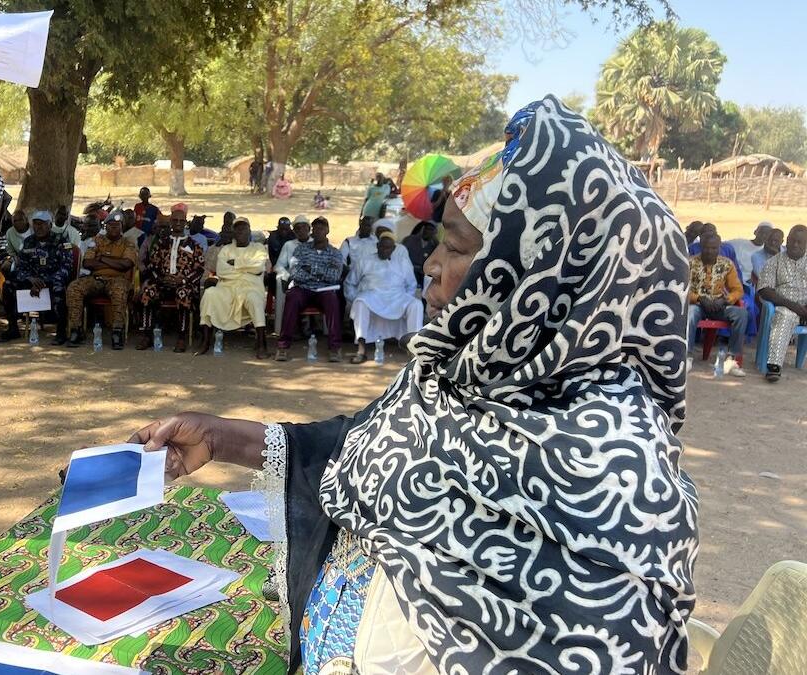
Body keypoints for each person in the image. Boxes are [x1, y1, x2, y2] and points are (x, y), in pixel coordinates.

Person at [130, 97, 698, 675]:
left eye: (453, 247)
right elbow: (352, 447)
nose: (428, 265)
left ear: (537, 278)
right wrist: (220, 436)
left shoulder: (616, 475)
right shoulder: (457, 377)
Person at [0, 210, 73, 345]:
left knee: (59, 287)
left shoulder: (61, 240)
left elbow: (66, 268)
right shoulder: (28, 242)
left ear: (50, 225)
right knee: (8, 285)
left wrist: (43, 282)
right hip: (32, 281)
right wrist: (30, 279)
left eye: (43, 224)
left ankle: (61, 332)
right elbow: (20, 267)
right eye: (36, 224)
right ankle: (13, 328)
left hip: (51, 280)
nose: (39, 227)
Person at [197, 218, 269, 357]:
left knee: (254, 299)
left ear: (249, 231)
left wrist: (235, 263)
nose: (241, 231)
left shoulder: (258, 248)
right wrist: (247, 266)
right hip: (228, 288)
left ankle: (261, 343)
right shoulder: (226, 249)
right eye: (238, 229)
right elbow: (222, 270)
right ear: (234, 232)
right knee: (210, 294)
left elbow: (259, 267)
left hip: (251, 287)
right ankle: (205, 341)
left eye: (244, 228)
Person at [65, 212, 138, 349]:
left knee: (119, 290)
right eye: (111, 226)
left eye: (117, 226)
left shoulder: (128, 243)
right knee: (74, 287)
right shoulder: (97, 241)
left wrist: (102, 258)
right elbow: (87, 263)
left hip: (118, 280)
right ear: (106, 226)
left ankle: (117, 332)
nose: (114, 229)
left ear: (122, 227)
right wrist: (115, 262)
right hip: (96, 279)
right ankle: (76, 330)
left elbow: (126, 264)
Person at [347, 233, 423, 363]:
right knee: (360, 302)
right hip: (372, 296)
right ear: (377, 246)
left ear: (394, 249)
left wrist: (405, 299)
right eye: (382, 247)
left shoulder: (402, 262)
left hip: (397, 297)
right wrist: (354, 298)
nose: (384, 250)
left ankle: (413, 349)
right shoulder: (364, 261)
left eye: (388, 248)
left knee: (416, 304)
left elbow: (411, 284)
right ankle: (361, 349)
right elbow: (350, 283)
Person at [276, 216, 343, 362]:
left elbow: (335, 276)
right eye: (315, 228)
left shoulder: (335, 253)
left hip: (325, 290)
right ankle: (283, 347)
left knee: (332, 301)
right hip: (303, 288)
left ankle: (335, 348)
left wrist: (311, 269)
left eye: (322, 228)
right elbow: (296, 273)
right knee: (292, 297)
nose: (318, 231)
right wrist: (321, 273)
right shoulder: (301, 250)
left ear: (327, 230)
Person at [136, 215, 205, 352]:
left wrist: (183, 280)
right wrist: (161, 278)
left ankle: (181, 337)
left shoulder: (193, 244)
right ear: (171, 223)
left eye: (181, 220)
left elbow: (199, 269)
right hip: (162, 282)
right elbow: (152, 266)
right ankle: (147, 335)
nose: (178, 223)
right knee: (148, 291)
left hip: (184, 283)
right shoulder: (161, 243)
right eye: (175, 220)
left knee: (183, 293)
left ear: (185, 223)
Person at [687, 233, 747, 377]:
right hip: (697, 305)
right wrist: (699, 299)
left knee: (741, 314)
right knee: (690, 313)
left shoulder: (726, 264)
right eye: (706, 248)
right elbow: (682, 290)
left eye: (713, 248)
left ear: (719, 247)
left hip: (719, 305)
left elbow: (738, 290)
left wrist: (726, 300)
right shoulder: (690, 263)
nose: (709, 251)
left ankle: (732, 359)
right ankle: (687, 357)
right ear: (700, 246)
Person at [757, 224, 807, 383]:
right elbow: (765, 290)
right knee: (784, 316)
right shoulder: (774, 262)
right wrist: (792, 305)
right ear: (787, 240)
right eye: (792, 241)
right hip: (785, 307)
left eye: (800, 242)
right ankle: (774, 367)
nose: (795, 245)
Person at [273, 215, 312, 331]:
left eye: (304, 227)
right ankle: (294, 326)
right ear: (294, 231)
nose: (301, 230)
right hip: (294, 280)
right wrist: (286, 276)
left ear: (309, 229)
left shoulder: (316, 243)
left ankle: (306, 324)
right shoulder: (289, 245)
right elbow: (279, 265)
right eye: (297, 228)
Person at [339, 216, 378, 302]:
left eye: (369, 225)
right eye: (365, 224)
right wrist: (351, 274)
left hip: (372, 279)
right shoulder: (349, 242)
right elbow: (341, 261)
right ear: (360, 223)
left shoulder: (376, 243)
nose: (367, 227)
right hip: (352, 279)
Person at [401, 220, 438, 287]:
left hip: (422, 275)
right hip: (407, 271)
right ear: (422, 229)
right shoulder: (409, 240)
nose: (427, 231)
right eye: (426, 228)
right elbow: (400, 256)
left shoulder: (435, 246)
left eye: (431, 229)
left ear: (434, 232)